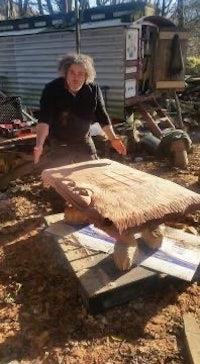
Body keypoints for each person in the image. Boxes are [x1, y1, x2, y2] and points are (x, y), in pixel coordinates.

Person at [34, 52, 126, 166]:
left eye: (80, 74)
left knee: (92, 172)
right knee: (60, 176)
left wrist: (113, 139)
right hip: (60, 142)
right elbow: (44, 119)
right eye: (72, 73)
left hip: (83, 140)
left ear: (86, 76)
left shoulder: (93, 90)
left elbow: (102, 115)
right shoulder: (52, 89)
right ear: (65, 73)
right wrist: (39, 145)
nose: (75, 77)